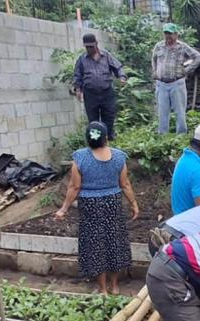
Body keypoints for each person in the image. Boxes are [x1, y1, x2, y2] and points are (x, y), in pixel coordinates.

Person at [55, 121, 139, 295]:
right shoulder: (118, 157)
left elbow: (74, 187)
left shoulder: (80, 157)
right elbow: (124, 183)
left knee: (95, 245)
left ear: (87, 139)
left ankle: (102, 289)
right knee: (114, 241)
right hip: (113, 203)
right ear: (106, 138)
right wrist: (133, 203)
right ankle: (115, 286)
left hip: (90, 205)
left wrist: (63, 209)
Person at [72, 34, 126, 141]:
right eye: (87, 47)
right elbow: (77, 75)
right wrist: (78, 90)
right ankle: (96, 143)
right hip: (90, 94)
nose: (89, 49)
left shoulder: (106, 56)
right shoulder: (82, 59)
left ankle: (108, 139)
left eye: (91, 46)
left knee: (109, 117)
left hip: (107, 93)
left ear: (96, 44)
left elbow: (118, 67)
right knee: (93, 120)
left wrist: (122, 77)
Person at [152, 23, 200, 134]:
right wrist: (155, 71)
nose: (168, 36)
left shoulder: (182, 47)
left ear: (176, 34)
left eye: (170, 33)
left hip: (176, 82)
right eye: (166, 33)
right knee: (162, 112)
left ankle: (181, 136)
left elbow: (198, 57)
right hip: (161, 83)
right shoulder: (159, 46)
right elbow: (154, 59)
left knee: (180, 111)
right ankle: (163, 137)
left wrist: (187, 70)